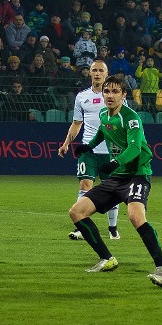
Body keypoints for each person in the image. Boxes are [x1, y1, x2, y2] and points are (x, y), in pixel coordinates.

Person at [67, 76, 162, 286]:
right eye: (106, 91)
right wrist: (90, 146)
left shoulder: (130, 118)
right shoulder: (104, 114)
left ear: (123, 95)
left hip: (137, 175)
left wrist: (115, 163)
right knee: (76, 212)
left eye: (114, 92)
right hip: (117, 177)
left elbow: (135, 148)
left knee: (135, 215)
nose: (109, 96)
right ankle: (107, 258)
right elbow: (104, 131)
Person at [58, 59, 120, 240]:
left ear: (106, 74)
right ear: (90, 73)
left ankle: (113, 227)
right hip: (88, 151)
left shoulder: (114, 96)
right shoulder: (82, 97)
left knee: (112, 190)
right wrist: (66, 143)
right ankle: (81, 227)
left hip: (110, 151)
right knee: (85, 185)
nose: (98, 73)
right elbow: (77, 123)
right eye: (95, 70)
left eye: (101, 70)